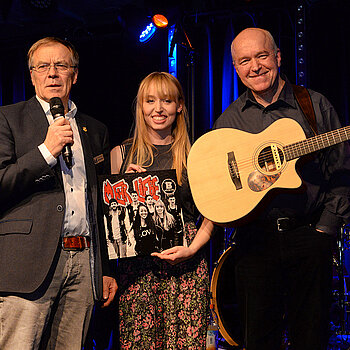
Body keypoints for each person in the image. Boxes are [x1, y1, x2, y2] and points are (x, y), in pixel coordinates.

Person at [210, 28, 350, 349]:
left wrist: (326, 230)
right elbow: (218, 185)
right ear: (235, 68)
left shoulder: (313, 105)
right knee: (259, 340)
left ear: (278, 57)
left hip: (309, 237)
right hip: (254, 244)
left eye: (261, 56)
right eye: (245, 61)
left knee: (311, 338)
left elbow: (342, 170)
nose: (255, 67)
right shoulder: (229, 121)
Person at [0, 37, 117, 350]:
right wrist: (45, 152)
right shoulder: (8, 118)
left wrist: (103, 269)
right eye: (43, 67)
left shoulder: (95, 129)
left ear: (74, 74)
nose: (52, 73)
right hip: (29, 265)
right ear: (32, 75)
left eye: (61, 66)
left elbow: (99, 206)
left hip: (84, 262)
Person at [110, 71, 214, 349]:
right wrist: (126, 191)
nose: (158, 109)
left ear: (179, 105)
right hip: (139, 269)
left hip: (187, 263)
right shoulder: (122, 153)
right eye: (150, 101)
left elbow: (213, 214)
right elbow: (114, 224)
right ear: (141, 107)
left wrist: (192, 249)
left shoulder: (196, 154)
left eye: (166, 101)